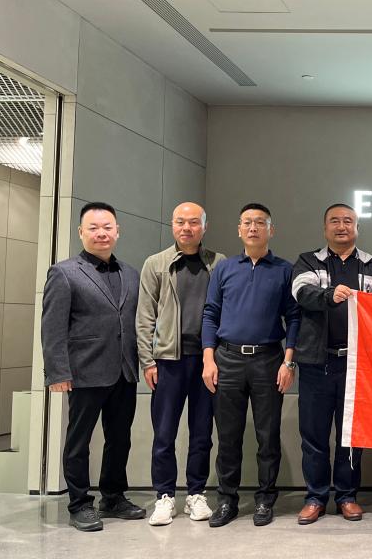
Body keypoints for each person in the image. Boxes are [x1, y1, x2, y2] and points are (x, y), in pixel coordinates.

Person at [41, 201, 145, 531]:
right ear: (81, 232)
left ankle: (113, 497)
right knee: (79, 441)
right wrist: (57, 372)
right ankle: (79, 503)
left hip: (124, 371)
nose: (102, 233)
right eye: (94, 228)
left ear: (117, 231)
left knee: (120, 438)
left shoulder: (131, 273)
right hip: (84, 372)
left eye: (107, 227)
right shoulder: (64, 272)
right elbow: (52, 327)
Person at [201, 203, 300, 527]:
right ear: (239, 229)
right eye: (247, 222)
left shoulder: (284, 270)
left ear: (271, 230)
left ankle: (265, 500)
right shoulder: (225, 269)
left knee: (267, 436)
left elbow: (294, 318)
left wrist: (288, 363)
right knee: (228, 436)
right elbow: (210, 313)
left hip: (269, 360)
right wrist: (208, 358)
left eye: (260, 222)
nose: (253, 227)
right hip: (227, 359)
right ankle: (227, 500)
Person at [291, 203, 372, 525]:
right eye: (335, 221)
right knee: (313, 436)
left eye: (348, 221)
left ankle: (347, 496)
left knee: (351, 437)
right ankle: (315, 497)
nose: (342, 226)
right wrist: (328, 295)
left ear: (357, 227)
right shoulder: (309, 261)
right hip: (317, 364)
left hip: (357, 366)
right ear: (325, 228)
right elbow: (301, 292)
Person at [138, 202, 225, 526]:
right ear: (172, 225)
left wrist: (216, 356)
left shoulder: (219, 263)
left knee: (202, 433)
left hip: (207, 361)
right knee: (164, 434)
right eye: (180, 222)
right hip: (167, 362)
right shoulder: (156, 264)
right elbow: (144, 316)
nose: (186, 228)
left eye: (193, 222)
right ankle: (164, 496)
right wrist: (148, 360)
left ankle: (196, 494)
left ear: (204, 226)